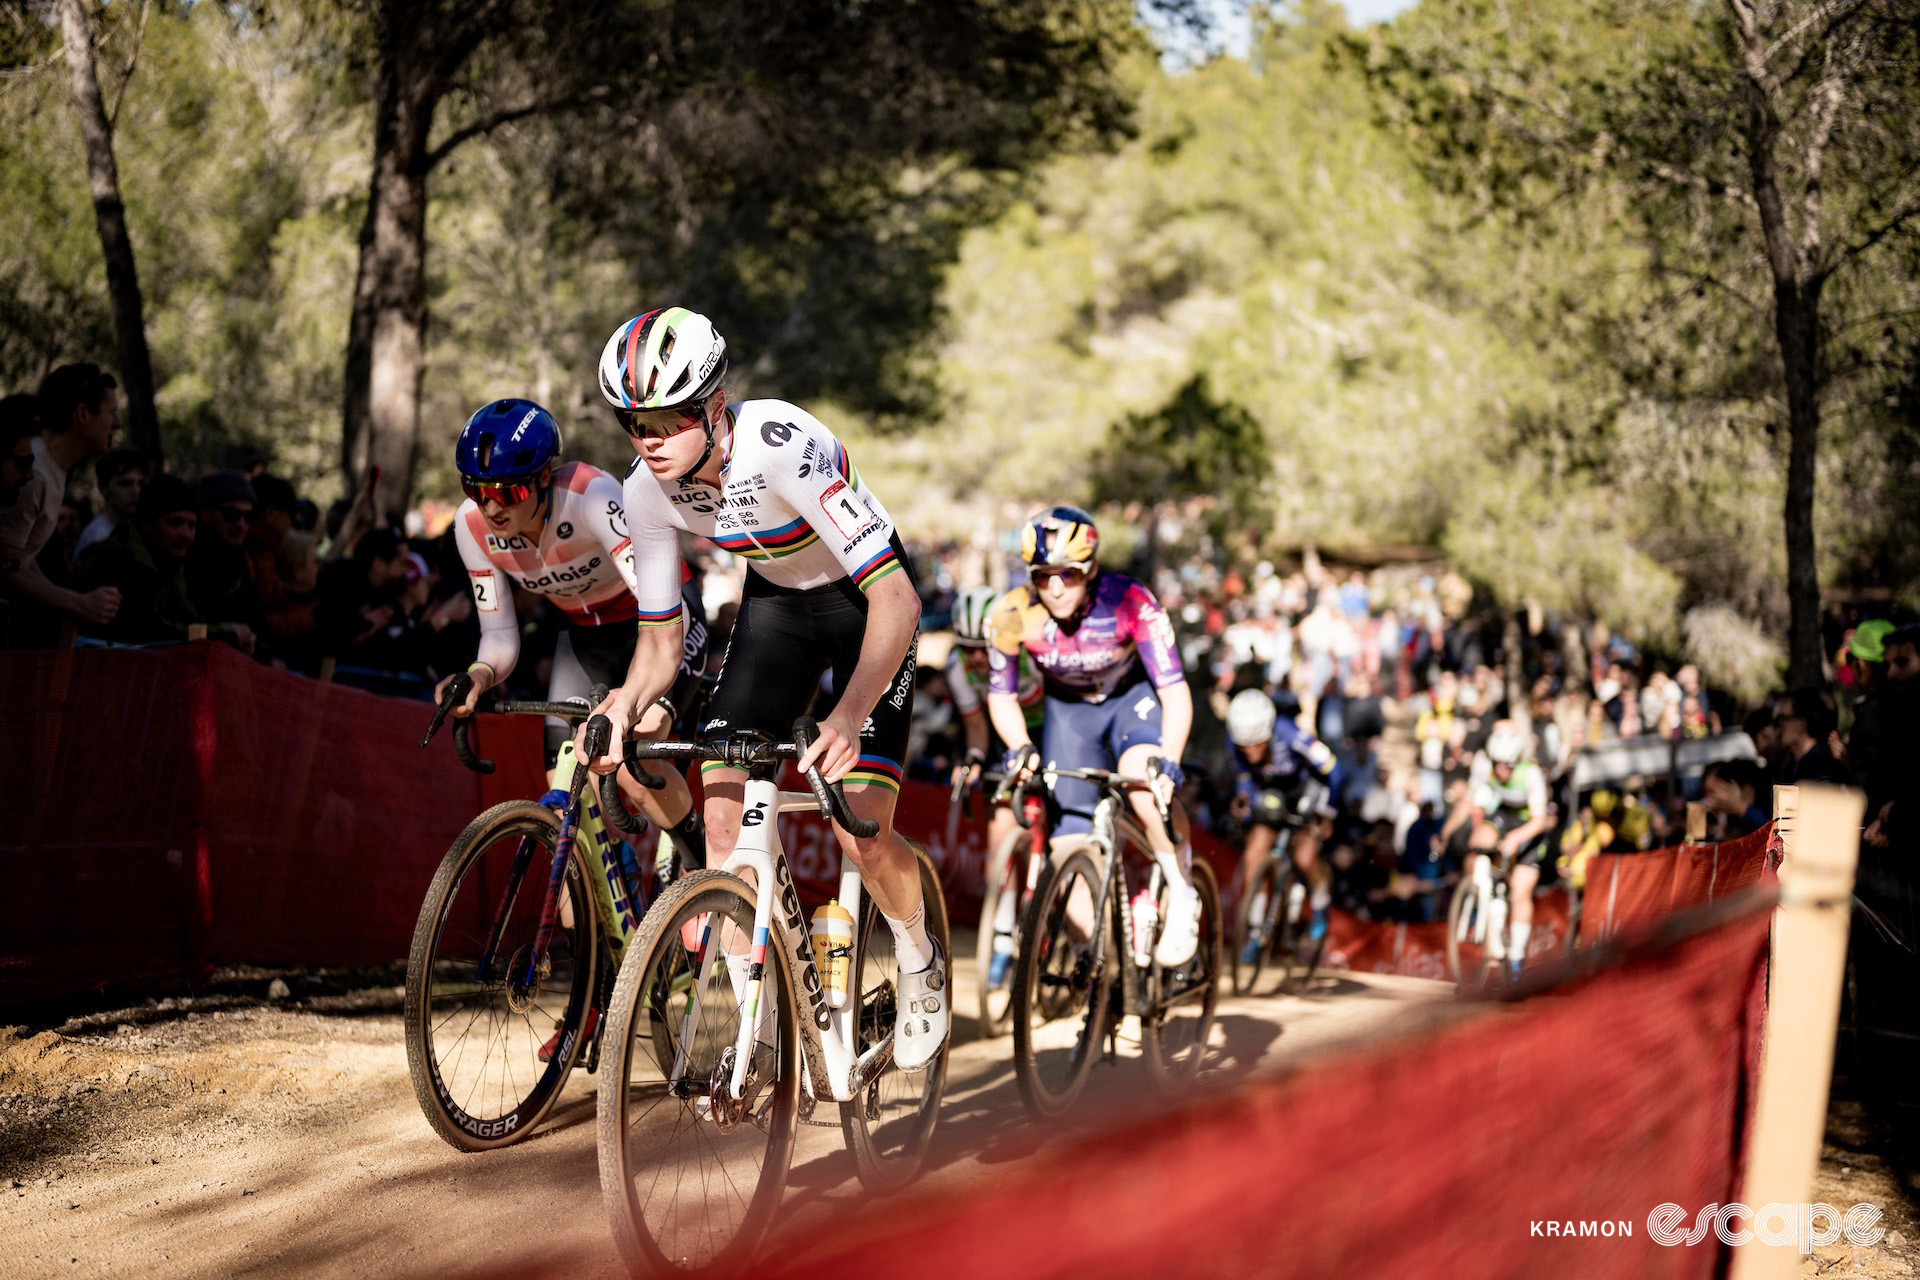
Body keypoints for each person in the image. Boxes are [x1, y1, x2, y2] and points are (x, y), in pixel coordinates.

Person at [581, 308, 946, 1070]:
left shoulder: (780, 442)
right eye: (632, 421)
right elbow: (659, 641)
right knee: (720, 818)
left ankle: (919, 961)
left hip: (865, 605)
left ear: (714, 404)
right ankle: (761, 1027)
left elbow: (900, 601)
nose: (647, 438)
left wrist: (847, 716)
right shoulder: (649, 492)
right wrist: (625, 702)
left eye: (666, 417)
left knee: (861, 832)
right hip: (778, 607)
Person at [433, 397, 707, 879]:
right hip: (585, 640)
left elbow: (659, 607)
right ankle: (575, 946)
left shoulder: (591, 496)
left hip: (663, 624)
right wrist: (477, 678)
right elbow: (498, 636)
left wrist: (642, 700)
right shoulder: (471, 527)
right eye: (477, 490)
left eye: (508, 492)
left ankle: (700, 858)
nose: (491, 506)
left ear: (543, 478)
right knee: (562, 791)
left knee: (634, 766)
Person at [985, 505, 1203, 969]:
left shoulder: (1131, 601)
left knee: (1141, 782)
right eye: (1044, 577)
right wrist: (1020, 745)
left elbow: (1175, 691)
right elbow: (1000, 696)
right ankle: (1095, 965)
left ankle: (1182, 891)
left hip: (1132, 702)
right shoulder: (1010, 613)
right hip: (1070, 716)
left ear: (1093, 569)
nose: (1056, 587)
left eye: (1070, 574)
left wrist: (1170, 758)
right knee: (1066, 852)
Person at [944, 584, 1046, 988]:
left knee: (1055, 822)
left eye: (981, 648)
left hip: (1050, 726)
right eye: (966, 648)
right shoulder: (957, 667)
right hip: (1006, 735)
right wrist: (973, 759)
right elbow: (975, 725)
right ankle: (1003, 932)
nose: (975, 658)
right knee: (999, 827)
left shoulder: (1030, 653)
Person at [1, 364, 122, 642]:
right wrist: (79, 603)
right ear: (82, 414)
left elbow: (21, 560)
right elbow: (6, 569)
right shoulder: (34, 476)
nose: (117, 424)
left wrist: (69, 602)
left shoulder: (52, 470)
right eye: (111, 413)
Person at [71, 473, 252, 650]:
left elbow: (186, 618)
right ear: (148, 524)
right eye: (175, 522)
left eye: (192, 525)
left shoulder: (169, 560)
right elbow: (149, 631)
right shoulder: (121, 560)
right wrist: (224, 633)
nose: (186, 534)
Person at [1224, 687, 1337, 962]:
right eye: (1243, 744)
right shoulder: (1234, 742)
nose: (1249, 750)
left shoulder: (1289, 733)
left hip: (1304, 791)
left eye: (1257, 743)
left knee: (1304, 856)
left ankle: (1321, 900)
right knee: (1253, 854)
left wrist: (1327, 812)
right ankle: (1255, 930)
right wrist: (1244, 803)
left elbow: (1334, 769)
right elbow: (1245, 781)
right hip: (1272, 794)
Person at [1437, 722, 1553, 981]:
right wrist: (1446, 832)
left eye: (1506, 765)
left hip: (1529, 826)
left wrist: (1516, 838)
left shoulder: (1530, 774)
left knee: (1521, 888)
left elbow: (1540, 820)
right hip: (1503, 817)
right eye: (1497, 763)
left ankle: (1515, 957)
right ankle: (1480, 892)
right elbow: (1468, 802)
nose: (1501, 770)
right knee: (1479, 839)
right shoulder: (1486, 769)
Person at [72, 447, 147, 560]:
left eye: (141, 483)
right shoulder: (98, 537)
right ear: (103, 487)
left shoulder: (138, 532)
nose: (136, 491)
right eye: (125, 483)